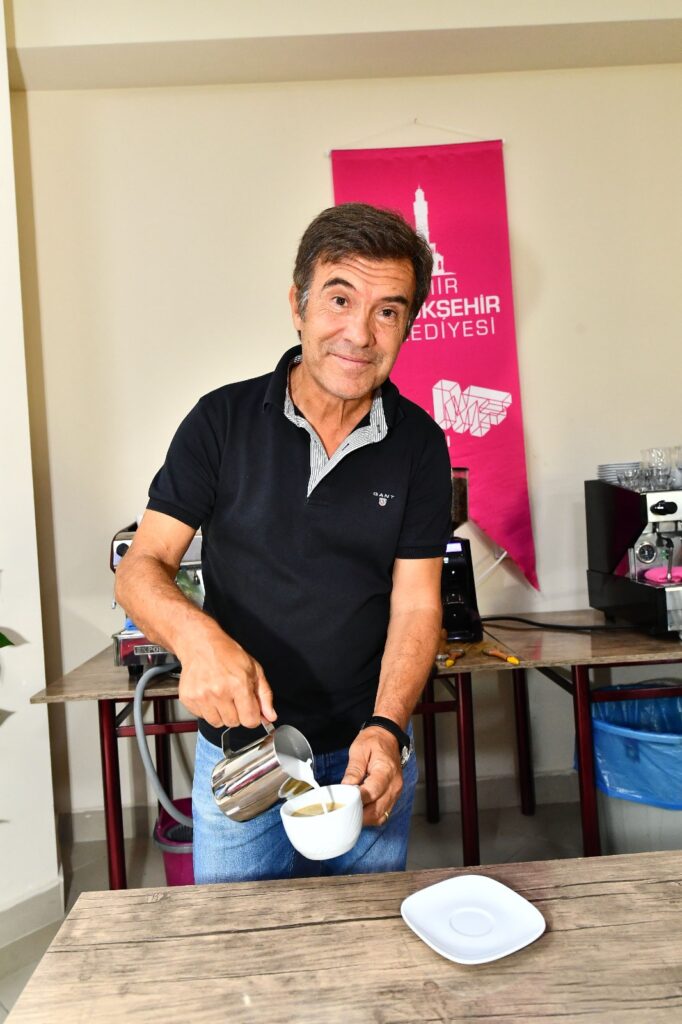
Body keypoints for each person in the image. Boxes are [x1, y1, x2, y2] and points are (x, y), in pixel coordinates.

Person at [115, 202, 452, 882]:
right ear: (297, 305)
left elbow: (417, 604)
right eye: (339, 299)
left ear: (408, 326)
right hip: (244, 756)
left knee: (364, 934)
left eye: (388, 311)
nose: (359, 333)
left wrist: (388, 728)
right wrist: (197, 639)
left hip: (365, 750)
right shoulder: (220, 420)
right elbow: (141, 567)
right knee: (238, 938)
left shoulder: (420, 444)